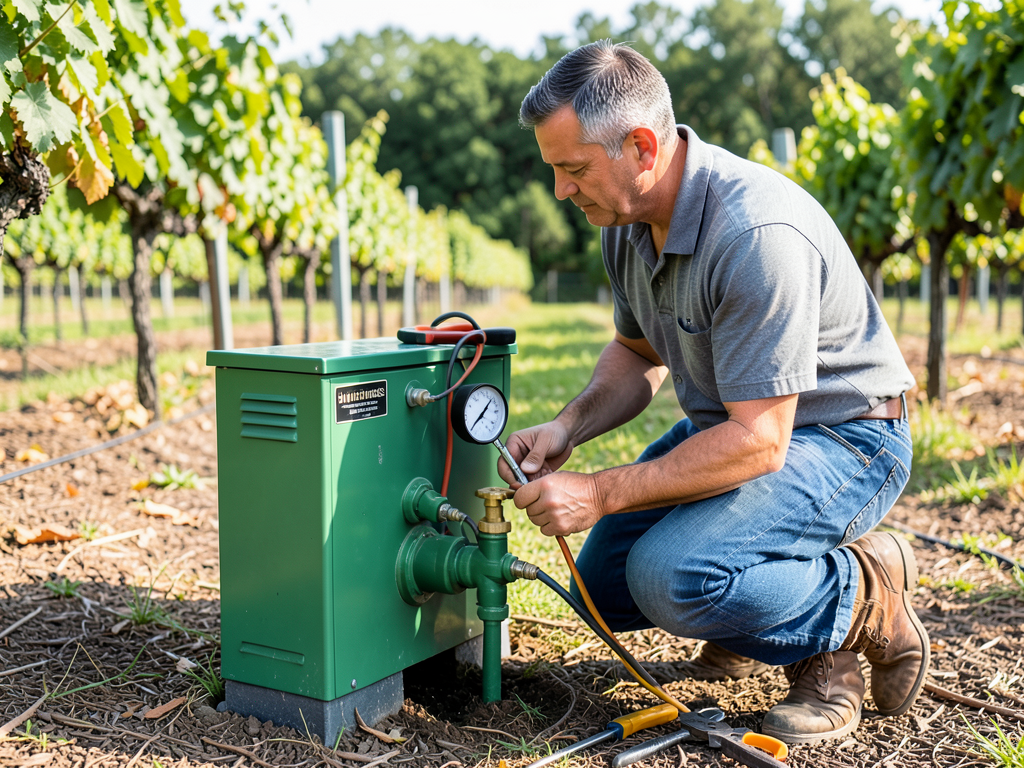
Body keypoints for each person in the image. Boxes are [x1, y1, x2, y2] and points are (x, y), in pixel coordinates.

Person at [499, 40, 927, 745]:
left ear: (641, 146)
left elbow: (763, 441)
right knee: (601, 590)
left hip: (847, 438)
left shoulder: (755, 232)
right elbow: (637, 356)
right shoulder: (625, 222)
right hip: (737, 432)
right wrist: (567, 428)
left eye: (572, 169)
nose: (560, 191)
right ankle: (756, 603)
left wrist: (603, 492)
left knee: (672, 577)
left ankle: (861, 600)